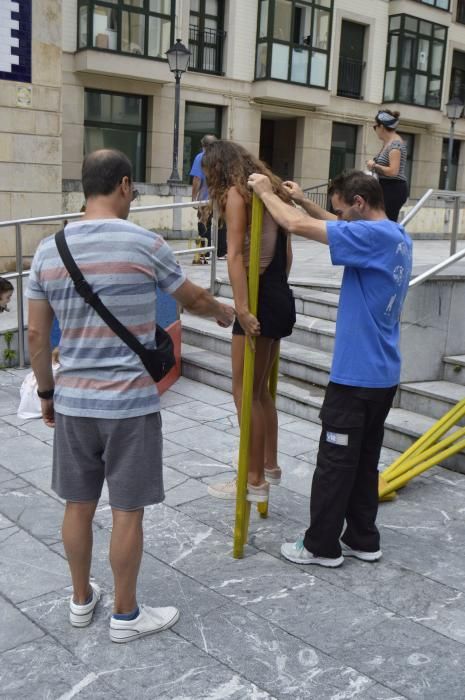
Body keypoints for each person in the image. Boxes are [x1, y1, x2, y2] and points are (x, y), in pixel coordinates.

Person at [26, 148, 234, 643]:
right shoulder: (146, 243)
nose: (134, 194)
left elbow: (37, 338)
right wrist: (226, 314)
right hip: (130, 404)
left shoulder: (47, 249)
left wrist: (47, 395)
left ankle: (81, 601)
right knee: (126, 510)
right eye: (133, 186)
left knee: (77, 503)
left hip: (74, 401)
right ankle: (125, 614)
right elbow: (194, 300)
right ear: (122, 184)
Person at [248, 170, 412, 567]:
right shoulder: (396, 235)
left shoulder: (370, 237)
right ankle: (362, 538)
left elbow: (295, 226)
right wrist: (305, 200)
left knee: (335, 465)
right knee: (363, 461)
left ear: (359, 202)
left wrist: (264, 191)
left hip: (355, 378)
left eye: (344, 209)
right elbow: (335, 225)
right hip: (382, 376)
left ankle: (320, 546)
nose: (341, 218)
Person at [203, 140, 296, 503]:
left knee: (244, 392)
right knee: (260, 392)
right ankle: (268, 465)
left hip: (257, 299)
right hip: (277, 293)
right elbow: (286, 256)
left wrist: (242, 307)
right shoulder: (271, 192)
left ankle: (253, 478)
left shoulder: (237, 196)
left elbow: (235, 257)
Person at [190, 134, 227, 260]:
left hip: (206, 197)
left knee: (204, 222)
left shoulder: (201, 157)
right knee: (221, 222)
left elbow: (196, 178)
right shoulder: (223, 158)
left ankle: (205, 252)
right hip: (222, 196)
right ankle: (222, 252)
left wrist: (194, 198)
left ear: (203, 146)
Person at [367, 109, 408, 222]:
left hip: (393, 188)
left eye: (375, 126)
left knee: (386, 223)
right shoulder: (388, 143)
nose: (375, 130)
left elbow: (393, 171)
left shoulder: (395, 145)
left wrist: (374, 165)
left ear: (382, 127)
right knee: (383, 222)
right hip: (387, 187)